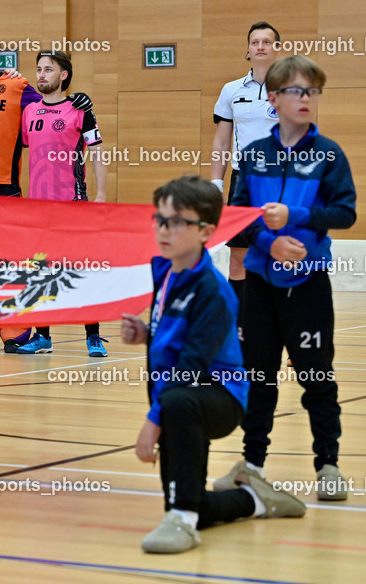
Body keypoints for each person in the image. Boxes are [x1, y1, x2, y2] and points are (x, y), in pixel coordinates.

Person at [121, 175, 305, 554]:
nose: (164, 229)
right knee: (193, 502)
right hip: (180, 397)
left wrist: (153, 420)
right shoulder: (164, 271)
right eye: (160, 219)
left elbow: (191, 364)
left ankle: (183, 525)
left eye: (176, 222)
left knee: (177, 403)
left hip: (217, 398)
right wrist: (146, 332)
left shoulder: (212, 290)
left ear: (205, 231)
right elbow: (175, 337)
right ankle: (253, 501)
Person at [215, 55, 356, 501]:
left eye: (313, 91)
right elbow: (236, 218)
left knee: (317, 377)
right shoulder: (253, 155)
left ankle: (328, 465)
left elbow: (346, 212)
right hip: (258, 285)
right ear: (273, 98)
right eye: (297, 90)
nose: (306, 99)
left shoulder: (329, 155)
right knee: (259, 376)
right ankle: (252, 463)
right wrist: (268, 243)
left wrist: (296, 216)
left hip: (308, 285)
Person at [0, 30, 92, 353]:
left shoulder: (17, 87)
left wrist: (80, 101)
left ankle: (14, 331)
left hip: (3, 188)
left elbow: (53, 102)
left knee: (7, 264)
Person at [15, 50, 109, 357]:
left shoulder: (81, 110)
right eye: (39, 69)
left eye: (48, 70)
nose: (41, 75)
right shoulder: (29, 113)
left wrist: (101, 196)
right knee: (41, 271)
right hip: (37, 208)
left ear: (63, 76)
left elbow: (97, 152)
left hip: (73, 203)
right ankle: (43, 336)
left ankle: (93, 336)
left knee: (80, 270)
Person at [211, 22, 281, 297]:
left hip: (281, 181)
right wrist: (216, 184)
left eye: (267, 42)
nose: (261, 46)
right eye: (255, 42)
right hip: (243, 182)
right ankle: (237, 324)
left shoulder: (292, 88)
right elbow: (221, 141)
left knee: (278, 251)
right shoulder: (231, 90)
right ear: (248, 49)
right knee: (238, 256)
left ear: (277, 48)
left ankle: (274, 321)